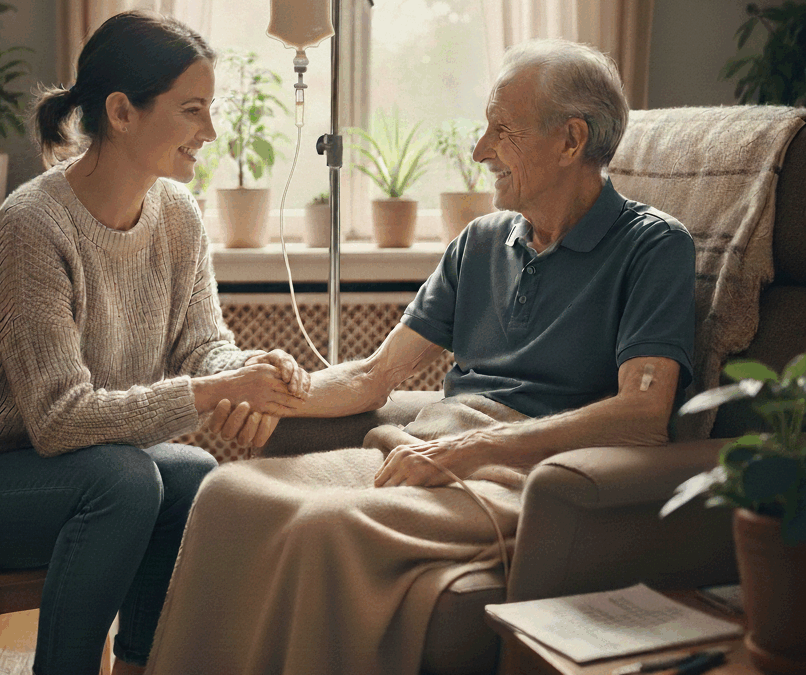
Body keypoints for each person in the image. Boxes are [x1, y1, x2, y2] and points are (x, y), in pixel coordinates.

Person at [146, 39, 696, 675]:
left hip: (527, 475)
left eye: (503, 130)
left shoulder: (653, 247)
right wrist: (266, 389)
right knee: (228, 493)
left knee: (322, 527)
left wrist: (471, 450)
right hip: (432, 446)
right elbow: (375, 375)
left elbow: (643, 415)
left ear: (571, 140)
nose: (479, 150)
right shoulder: (481, 241)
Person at [0, 11, 310, 675]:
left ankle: (136, 666)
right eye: (192, 110)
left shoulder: (179, 216)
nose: (210, 131)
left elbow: (204, 347)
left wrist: (251, 370)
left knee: (192, 474)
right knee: (126, 480)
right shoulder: (33, 226)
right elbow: (60, 421)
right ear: (121, 112)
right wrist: (215, 389)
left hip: (83, 473)